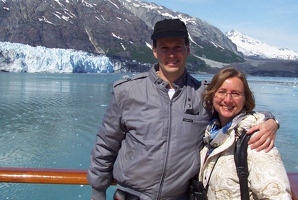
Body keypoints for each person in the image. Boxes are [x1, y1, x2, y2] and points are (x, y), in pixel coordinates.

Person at [87, 19, 279, 200]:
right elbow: (106, 144)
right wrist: (98, 191)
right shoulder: (127, 92)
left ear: (187, 49)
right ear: (154, 51)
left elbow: (237, 110)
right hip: (130, 196)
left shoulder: (203, 94)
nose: (171, 54)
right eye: (164, 48)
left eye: (177, 47)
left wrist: (270, 122)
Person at [199, 67, 291, 199]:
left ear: (245, 99)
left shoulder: (256, 139)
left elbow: (277, 195)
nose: (228, 99)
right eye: (222, 92)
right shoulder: (211, 135)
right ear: (213, 95)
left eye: (235, 93)